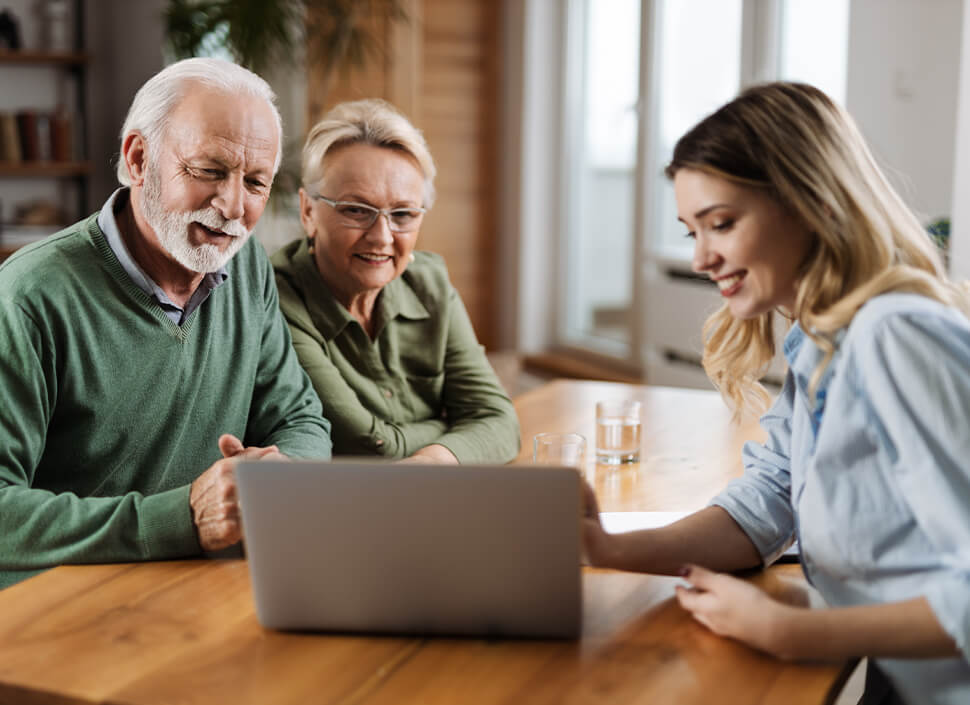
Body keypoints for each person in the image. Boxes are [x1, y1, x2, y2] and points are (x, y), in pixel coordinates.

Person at [582, 82, 970, 704]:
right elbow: (766, 504)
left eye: (722, 224)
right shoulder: (820, 342)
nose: (704, 258)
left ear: (808, 202)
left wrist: (792, 631)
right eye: (691, 233)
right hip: (903, 677)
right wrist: (604, 546)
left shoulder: (896, 335)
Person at [0, 58, 332, 590]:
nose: (233, 207)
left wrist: (280, 478)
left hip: (192, 590)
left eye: (256, 182)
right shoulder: (27, 297)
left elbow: (300, 420)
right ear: (137, 159)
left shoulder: (247, 268)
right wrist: (182, 519)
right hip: (54, 609)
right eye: (209, 171)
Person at [272, 99, 519, 463]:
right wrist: (449, 427)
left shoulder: (430, 286)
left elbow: (500, 422)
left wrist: (433, 461)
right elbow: (367, 444)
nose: (382, 237)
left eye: (402, 214)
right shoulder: (277, 298)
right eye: (357, 210)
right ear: (309, 211)